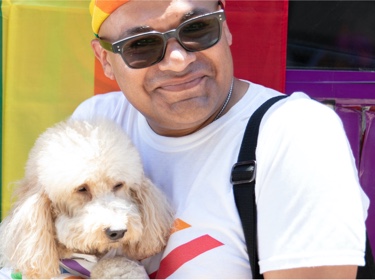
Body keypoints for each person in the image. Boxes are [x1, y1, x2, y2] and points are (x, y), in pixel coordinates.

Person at [71, 0, 370, 278]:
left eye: (197, 28)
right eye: (141, 45)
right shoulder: (100, 127)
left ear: (224, 25)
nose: (178, 60)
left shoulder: (296, 135)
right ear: (105, 59)